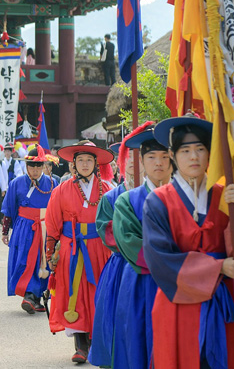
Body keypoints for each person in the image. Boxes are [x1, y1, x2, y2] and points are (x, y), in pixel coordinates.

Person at [143, 115, 234, 368]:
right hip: (178, 300)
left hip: (225, 299)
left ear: (210, 153)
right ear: (173, 155)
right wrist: (218, 267)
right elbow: (159, 259)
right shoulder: (157, 201)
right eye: (185, 150)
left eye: (200, 149)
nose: (194, 157)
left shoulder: (225, 195)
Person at [45, 142, 114, 364]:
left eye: (89, 160)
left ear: (96, 164)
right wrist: (50, 254)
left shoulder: (108, 190)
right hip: (71, 249)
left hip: (100, 249)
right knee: (73, 294)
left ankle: (96, 341)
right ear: (73, 164)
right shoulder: (61, 190)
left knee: (97, 293)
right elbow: (53, 224)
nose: (85, 164)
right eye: (81, 160)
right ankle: (81, 345)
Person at [110, 124, 172, 369]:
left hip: (180, 281)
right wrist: (174, 265)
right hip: (141, 280)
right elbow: (129, 242)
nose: (159, 163)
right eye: (152, 157)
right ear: (142, 161)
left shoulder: (185, 197)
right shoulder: (127, 200)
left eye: (165, 156)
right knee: (139, 341)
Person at [88, 135, 139, 367]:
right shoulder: (110, 198)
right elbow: (108, 233)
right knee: (117, 319)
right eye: (128, 157)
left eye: (140, 156)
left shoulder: (162, 194)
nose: (133, 162)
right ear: (120, 163)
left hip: (157, 264)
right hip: (122, 267)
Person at [1, 146, 55, 314]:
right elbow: (9, 208)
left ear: (44, 166)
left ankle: (35, 297)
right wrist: (5, 231)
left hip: (46, 227)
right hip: (24, 228)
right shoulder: (16, 183)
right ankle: (29, 295)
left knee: (43, 261)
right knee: (25, 260)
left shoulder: (54, 183)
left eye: (39, 166)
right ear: (26, 166)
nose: (35, 170)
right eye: (32, 166)